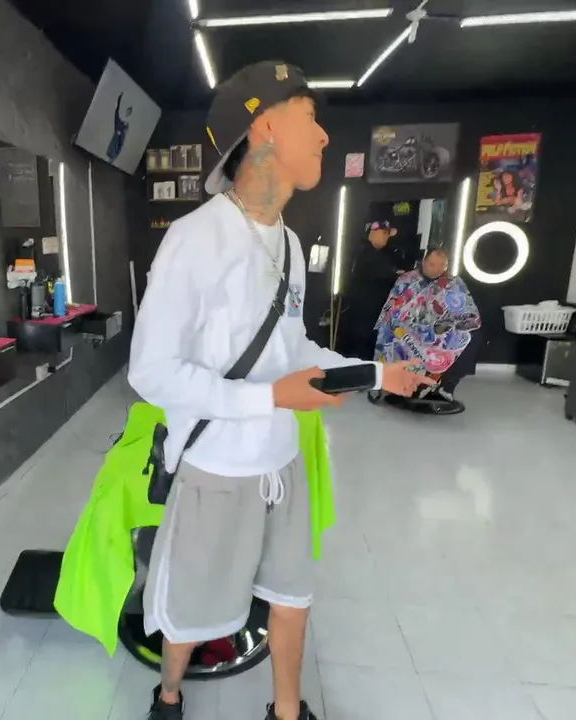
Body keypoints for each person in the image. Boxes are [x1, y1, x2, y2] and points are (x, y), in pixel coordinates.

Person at [128, 61, 432, 720]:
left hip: (281, 465)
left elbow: (292, 352)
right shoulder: (194, 239)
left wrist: (378, 373)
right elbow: (150, 371)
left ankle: (287, 711)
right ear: (265, 126)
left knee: (292, 596)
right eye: (309, 118)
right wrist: (268, 399)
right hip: (215, 470)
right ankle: (169, 695)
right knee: (190, 611)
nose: (323, 136)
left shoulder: (291, 245)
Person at [374, 247, 482, 400]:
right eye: (432, 264)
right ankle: (407, 383)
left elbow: (465, 308)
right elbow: (392, 310)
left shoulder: (452, 282)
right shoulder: (408, 280)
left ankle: (446, 386)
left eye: (442, 265)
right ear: (424, 262)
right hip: (409, 328)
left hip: (441, 329)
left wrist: (460, 321)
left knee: (473, 338)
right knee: (402, 337)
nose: (437, 269)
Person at [337, 221, 407, 361]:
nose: (386, 238)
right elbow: (380, 272)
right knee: (357, 359)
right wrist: (396, 274)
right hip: (361, 320)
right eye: (385, 234)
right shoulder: (364, 253)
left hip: (366, 320)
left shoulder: (375, 254)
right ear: (373, 232)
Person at [108, 91, 131, 163]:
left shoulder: (125, 126)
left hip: (114, 151)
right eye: (127, 111)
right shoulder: (119, 122)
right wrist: (119, 97)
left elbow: (121, 142)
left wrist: (116, 153)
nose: (127, 113)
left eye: (129, 112)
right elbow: (116, 109)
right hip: (112, 149)